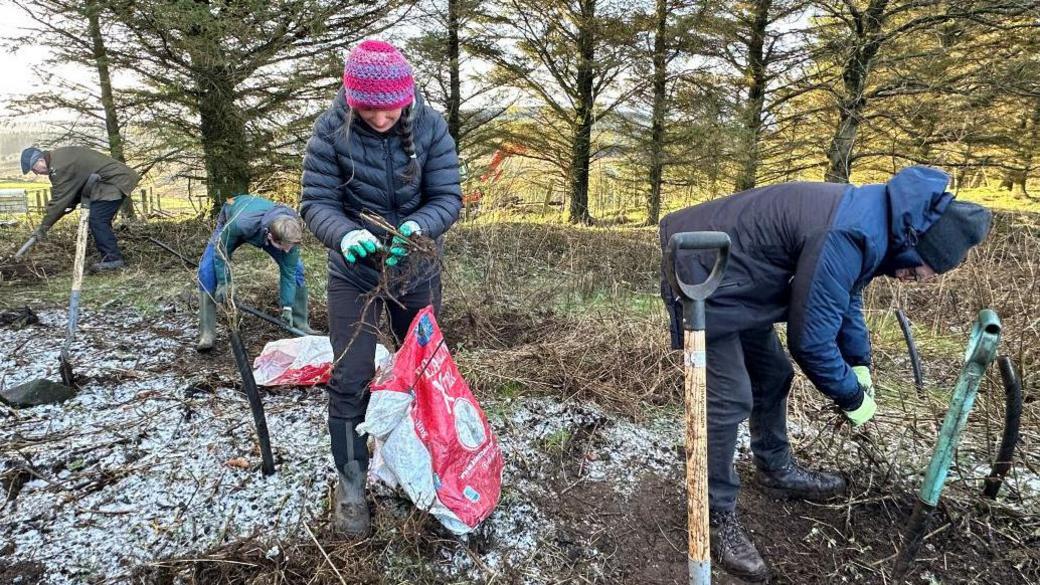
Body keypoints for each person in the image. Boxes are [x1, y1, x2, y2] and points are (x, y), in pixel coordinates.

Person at [659, 166, 992, 582]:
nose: (923, 280)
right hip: (702, 266)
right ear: (921, 245)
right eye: (929, 270)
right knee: (729, 398)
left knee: (773, 375)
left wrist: (860, 366)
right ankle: (714, 515)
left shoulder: (876, 224)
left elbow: (845, 296)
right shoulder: (852, 232)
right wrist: (851, 396)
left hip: (741, 278)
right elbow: (811, 341)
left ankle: (775, 469)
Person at [301, 39, 462, 537]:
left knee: (424, 373)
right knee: (350, 376)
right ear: (352, 99)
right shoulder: (328, 133)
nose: (380, 115)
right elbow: (315, 204)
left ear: (406, 94)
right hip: (354, 273)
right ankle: (351, 482)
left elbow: (447, 197)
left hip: (415, 270)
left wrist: (419, 228)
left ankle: (427, 463)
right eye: (368, 106)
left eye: (389, 104)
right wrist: (344, 233)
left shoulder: (431, 127)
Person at [196, 194, 318, 351]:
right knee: (207, 270)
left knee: (297, 270)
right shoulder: (241, 223)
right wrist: (224, 282)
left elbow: (289, 273)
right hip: (232, 211)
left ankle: (300, 323)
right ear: (270, 237)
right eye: (284, 247)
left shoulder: (290, 231)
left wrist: (287, 306)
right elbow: (221, 249)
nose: (288, 251)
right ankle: (207, 333)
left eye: (290, 246)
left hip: (262, 223)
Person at [21, 146, 140, 272]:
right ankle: (107, 254)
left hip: (114, 180)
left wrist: (43, 228)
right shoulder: (57, 159)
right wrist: (69, 204)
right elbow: (73, 188)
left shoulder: (58, 168)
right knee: (97, 219)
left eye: (34, 169)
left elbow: (59, 201)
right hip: (107, 181)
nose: (36, 173)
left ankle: (113, 260)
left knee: (97, 219)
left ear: (40, 161)